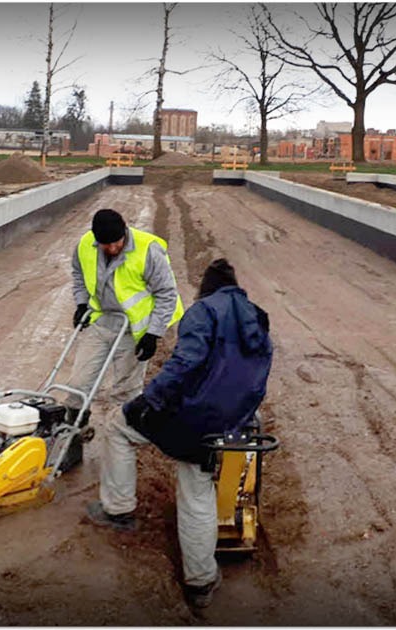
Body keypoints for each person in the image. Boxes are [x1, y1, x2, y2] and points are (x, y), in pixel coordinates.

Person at [84, 258, 273, 610]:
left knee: (117, 425)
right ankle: (201, 583)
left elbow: (184, 364)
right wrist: (241, 417)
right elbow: (258, 380)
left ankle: (119, 509)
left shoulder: (203, 312)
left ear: (206, 288)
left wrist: (149, 401)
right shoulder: (258, 320)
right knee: (197, 488)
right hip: (228, 421)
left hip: (191, 416)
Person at [64, 208, 184, 425]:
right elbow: (78, 274)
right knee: (77, 385)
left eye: (116, 243)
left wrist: (153, 334)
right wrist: (81, 303)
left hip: (134, 331)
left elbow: (167, 294)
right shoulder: (85, 245)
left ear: (124, 232)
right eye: (105, 244)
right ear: (96, 239)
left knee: (125, 391)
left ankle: (122, 438)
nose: (112, 248)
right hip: (100, 323)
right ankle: (74, 435)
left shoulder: (148, 250)